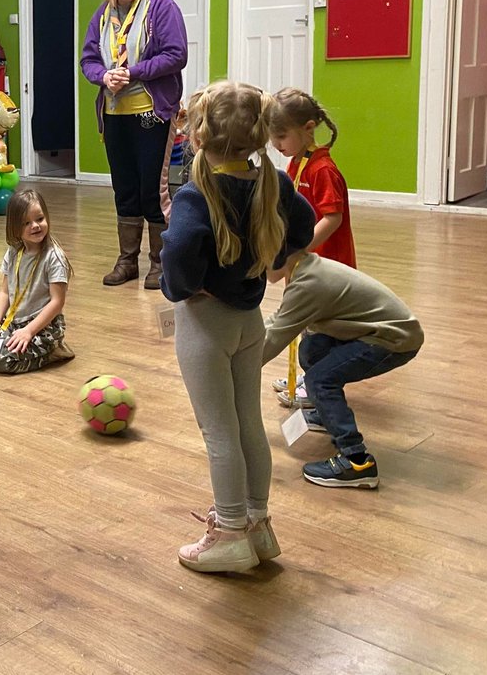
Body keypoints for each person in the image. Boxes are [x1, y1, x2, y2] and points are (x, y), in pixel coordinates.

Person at [161, 81, 314, 573]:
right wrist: (267, 257)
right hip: (251, 322)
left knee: (219, 432)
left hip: (207, 327)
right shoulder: (274, 181)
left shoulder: (194, 196)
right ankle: (257, 526)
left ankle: (229, 532)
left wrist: (189, 287)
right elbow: (305, 228)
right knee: (250, 423)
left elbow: (178, 257)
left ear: (200, 139)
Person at [79, 0, 188, 291]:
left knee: (151, 191)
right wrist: (103, 75)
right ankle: (127, 260)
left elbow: (176, 54)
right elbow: (88, 60)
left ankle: (160, 262)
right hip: (114, 113)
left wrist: (134, 72)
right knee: (124, 189)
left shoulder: (161, 6)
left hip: (151, 113)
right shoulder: (103, 16)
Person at [264, 251, 424, 489]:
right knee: (312, 348)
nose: (259, 267)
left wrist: (234, 369)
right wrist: (244, 338)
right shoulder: (304, 268)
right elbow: (279, 319)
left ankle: (357, 461)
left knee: (319, 380)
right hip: (378, 330)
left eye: (260, 258)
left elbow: (275, 338)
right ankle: (325, 411)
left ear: (277, 253)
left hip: (394, 339)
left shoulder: (308, 283)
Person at [268, 88, 356, 406]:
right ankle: (308, 377)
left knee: (321, 332)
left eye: (281, 136)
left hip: (326, 265)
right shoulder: (296, 164)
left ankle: (318, 385)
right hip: (305, 264)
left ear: (308, 129)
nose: (277, 145)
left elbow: (332, 218)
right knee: (308, 327)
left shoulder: (323, 170)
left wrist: (300, 246)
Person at [0, 189, 75, 374]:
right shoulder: (13, 253)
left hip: (44, 326)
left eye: (40, 219)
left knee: (2, 361)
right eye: (26, 223)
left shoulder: (54, 257)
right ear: (14, 227)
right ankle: (18, 345)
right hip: (14, 322)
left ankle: (53, 351)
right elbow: (4, 292)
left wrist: (29, 331)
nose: (35, 226)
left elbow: (57, 302)